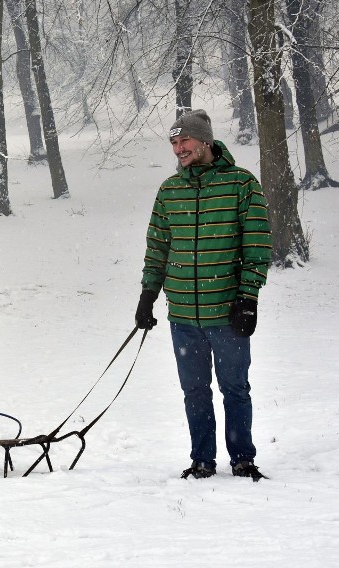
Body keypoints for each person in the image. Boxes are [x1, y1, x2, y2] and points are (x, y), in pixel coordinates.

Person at [135, 109, 272, 481]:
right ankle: (202, 460)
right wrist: (149, 293)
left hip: (227, 312)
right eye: (174, 143)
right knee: (194, 391)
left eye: (185, 141)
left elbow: (257, 245)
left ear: (205, 141)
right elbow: (158, 247)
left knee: (234, 389)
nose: (179, 148)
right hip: (182, 315)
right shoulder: (169, 190)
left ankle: (242, 457)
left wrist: (248, 298)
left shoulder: (242, 184)